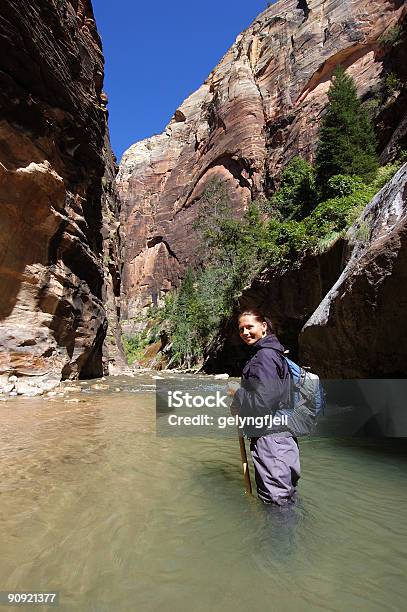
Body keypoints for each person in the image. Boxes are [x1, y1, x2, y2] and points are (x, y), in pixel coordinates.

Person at [229, 309, 300, 505]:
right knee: (286, 497)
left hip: (270, 439)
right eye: (241, 329)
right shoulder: (274, 354)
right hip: (282, 437)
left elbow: (262, 403)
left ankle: (276, 536)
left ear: (263, 326)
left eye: (249, 326)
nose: (244, 332)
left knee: (276, 502)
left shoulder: (265, 357)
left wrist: (237, 393)